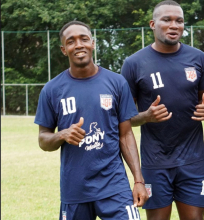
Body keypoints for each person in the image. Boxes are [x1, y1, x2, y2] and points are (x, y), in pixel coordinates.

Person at [34, 21, 148, 220]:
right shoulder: (52, 90)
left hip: (114, 186)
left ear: (92, 43)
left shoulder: (116, 82)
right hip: (75, 190)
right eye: (71, 41)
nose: (78, 45)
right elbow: (43, 140)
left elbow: (126, 134)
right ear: (63, 49)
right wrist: (62, 134)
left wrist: (138, 180)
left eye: (84, 39)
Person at [120, 1, 204, 220]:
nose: (174, 25)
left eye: (179, 21)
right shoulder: (133, 63)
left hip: (193, 160)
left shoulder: (197, 57)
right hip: (155, 161)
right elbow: (125, 120)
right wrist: (145, 116)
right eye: (167, 20)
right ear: (153, 24)